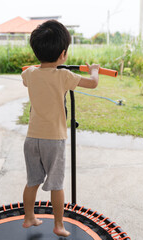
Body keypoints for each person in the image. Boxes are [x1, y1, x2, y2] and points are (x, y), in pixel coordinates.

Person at [21, 20, 100, 237]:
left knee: (32, 181)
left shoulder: (29, 72)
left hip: (31, 139)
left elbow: (24, 79)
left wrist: (35, 69)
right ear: (63, 54)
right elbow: (93, 84)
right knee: (56, 184)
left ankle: (29, 217)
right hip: (53, 140)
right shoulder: (64, 76)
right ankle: (58, 225)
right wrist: (94, 70)